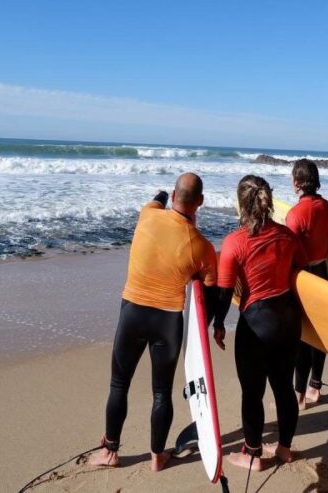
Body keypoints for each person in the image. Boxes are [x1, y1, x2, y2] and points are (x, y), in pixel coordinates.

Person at [88, 173, 218, 471]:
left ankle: (110, 451)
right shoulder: (201, 246)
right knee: (161, 392)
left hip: (133, 313)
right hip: (168, 322)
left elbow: (156, 200)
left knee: (119, 384)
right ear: (200, 202)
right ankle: (158, 456)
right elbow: (208, 289)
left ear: (174, 196)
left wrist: (160, 194)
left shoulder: (147, 216)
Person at [211, 175, 307, 471]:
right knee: (283, 387)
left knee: (252, 393)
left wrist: (217, 326)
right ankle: (285, 449)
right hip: (289, 320)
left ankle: (252, 454)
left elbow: (225, 293)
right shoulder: (287, 235)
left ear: (241, 204)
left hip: (256, 326)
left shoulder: (234, 242)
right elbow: (301, 268)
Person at [286, 159, 328, 408]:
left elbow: (288, 253)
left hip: (303, 279)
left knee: (301, 337)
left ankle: (298, 395)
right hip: (324, 274)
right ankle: (315, 387)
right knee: (320, 334)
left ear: (297, 182)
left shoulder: (295, 214)